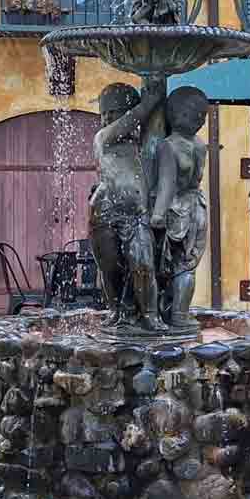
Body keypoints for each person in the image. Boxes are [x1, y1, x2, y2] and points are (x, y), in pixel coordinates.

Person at [89, 80, 165, 330]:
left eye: (114, 112)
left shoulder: (143, 143)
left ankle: (150, 314)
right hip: (104, 210)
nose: (107, 118)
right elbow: (128, 123)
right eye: (104, 113)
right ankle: (115, 311)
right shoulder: (103, 137)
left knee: (142, 264)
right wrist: (150, 103)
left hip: (136, 213)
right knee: (110, 266)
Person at [151, 86, 209, 328]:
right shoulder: (200, 145)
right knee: (187, 266)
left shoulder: (168, 145)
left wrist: (157, 214)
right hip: (197, 206)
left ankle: (169, 316)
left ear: (172, 114)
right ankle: (180, 315)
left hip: (176, 210)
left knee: (167, 266)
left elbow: (167, 184)